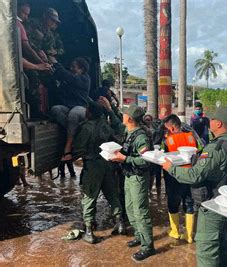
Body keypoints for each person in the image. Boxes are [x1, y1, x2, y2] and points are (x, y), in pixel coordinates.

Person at [160, 106, 227, 267]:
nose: (209, 122)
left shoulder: (215, 148)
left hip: (212, 205)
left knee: (206, 251)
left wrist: (170, 168)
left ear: (219, 124)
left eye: (212, 120)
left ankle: (179, 232)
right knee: (223, 244)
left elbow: (194, 175)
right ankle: (188, 234)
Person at [72, 100, 126, 244]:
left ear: (89, 113)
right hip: (107, 164)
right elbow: (119, 131)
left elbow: (78, 149)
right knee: (112, 195)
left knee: (89, 197)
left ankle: (89, 231)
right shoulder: (105, 126)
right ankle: (119, 223)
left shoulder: (85, 128)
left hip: (93, 166)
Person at [109, 104, 155, 261]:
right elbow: (116, 122)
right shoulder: (128, 131)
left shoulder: (140, 137)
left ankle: (148, 246)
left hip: (138, 178)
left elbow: (147, 161)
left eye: (124, 114)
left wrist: (125, 158)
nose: (122, 116)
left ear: (129, 118)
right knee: (129, 209)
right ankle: (139, 235)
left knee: (141, 212)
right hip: (128, 176)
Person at [162, 114, 198, 244]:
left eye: (166, 128)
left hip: (174, 177)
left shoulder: (168, 141)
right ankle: (189, 235)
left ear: (171, 128)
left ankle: (175, 232)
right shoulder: (191, 136)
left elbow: (162, 158)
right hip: (190, 175)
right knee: (189, 203)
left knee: (173, 204)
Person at [50, 57, 90, 162]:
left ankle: (68, 146)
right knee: (55, 109)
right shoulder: (68, 79)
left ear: (81, 69)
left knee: (74, 114)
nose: (71, 68)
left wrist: (57, 64)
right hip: (67, 107)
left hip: (81, 108)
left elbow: (68, 77)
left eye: (74, 67)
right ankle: (75, 135)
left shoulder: (85, 79)